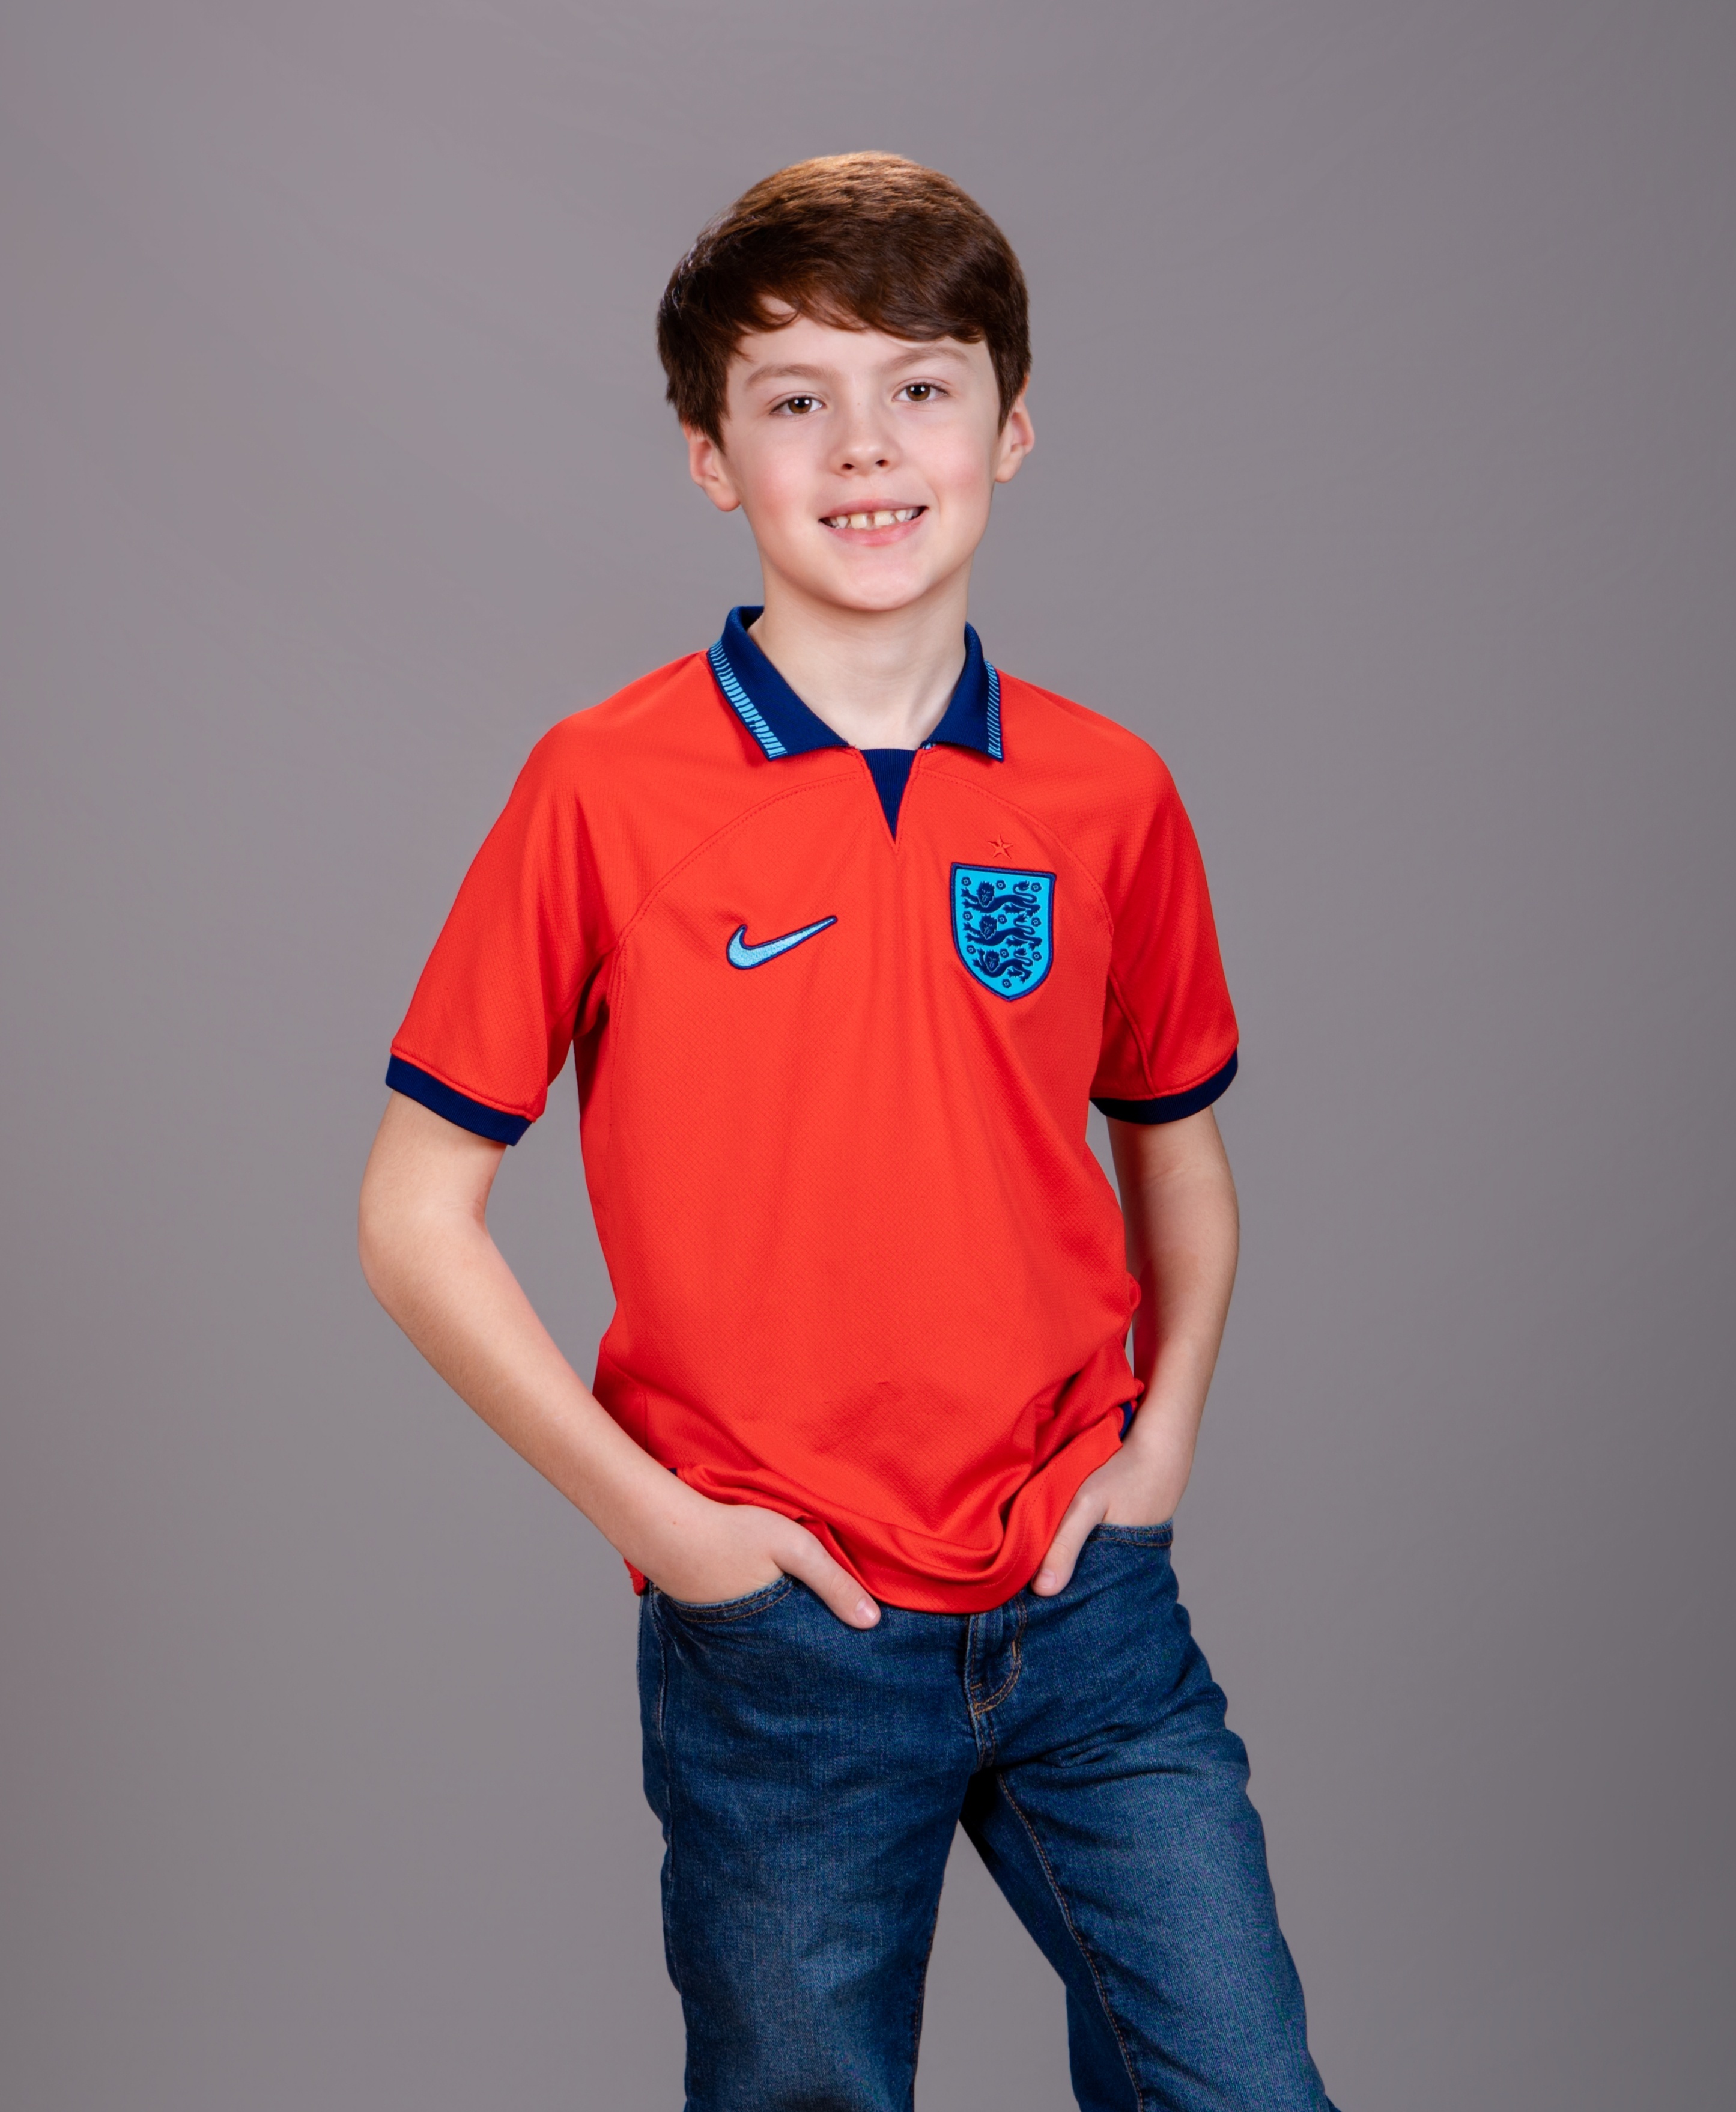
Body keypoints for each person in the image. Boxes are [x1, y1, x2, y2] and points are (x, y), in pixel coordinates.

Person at [359, 151, 1336, 2112]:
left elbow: (1176, 1157)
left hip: (1082, 1600)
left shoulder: (1107, 793)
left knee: (1240, 2087)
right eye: (794, 397)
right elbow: (412, 1217)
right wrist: (663, 1530)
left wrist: (1157, 1448)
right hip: (784, 1626)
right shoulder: (602, 788)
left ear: (1010, 426)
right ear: (711, 459)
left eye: (921, 385)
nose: (865, 446)